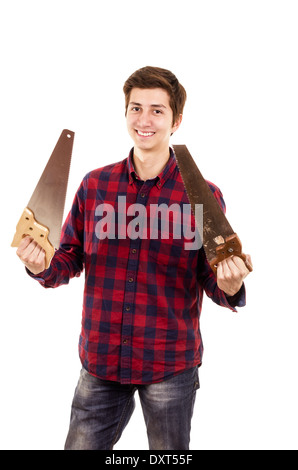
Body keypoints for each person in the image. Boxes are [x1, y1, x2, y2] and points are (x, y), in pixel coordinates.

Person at [16, 66, 252, 450]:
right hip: (101, 362)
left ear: (176, 120)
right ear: (125, 113)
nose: (144, 120)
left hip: (169, 365)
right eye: (136, 108)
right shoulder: (95, 185)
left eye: (157, 111)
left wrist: (230, 285)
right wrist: (40, 265)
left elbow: (213, 276)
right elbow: (69, 258)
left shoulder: (202, 195)